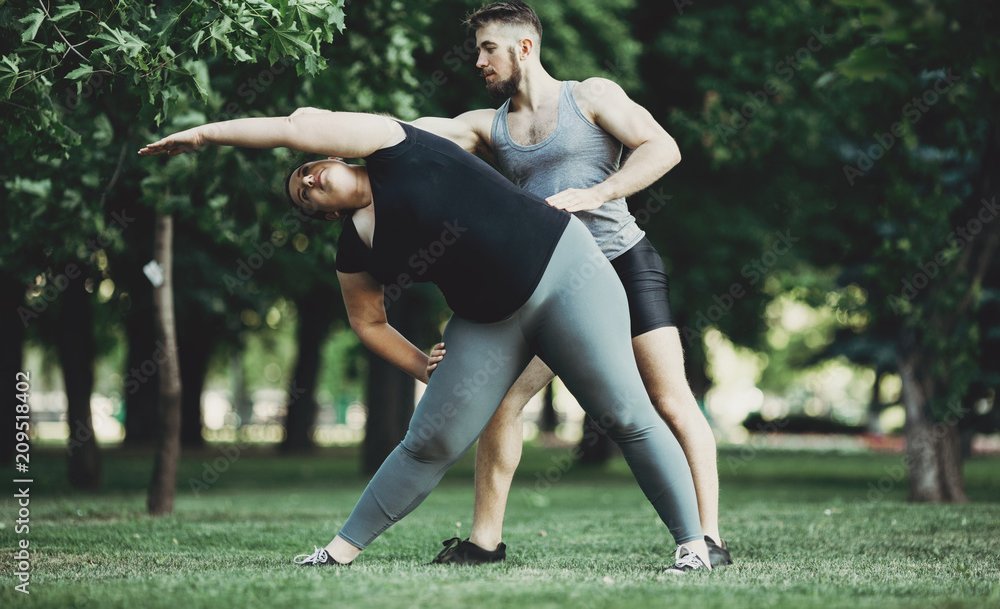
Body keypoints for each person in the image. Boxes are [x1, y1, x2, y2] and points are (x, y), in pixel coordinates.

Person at [139, 108, 712, 573]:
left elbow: (289, 129)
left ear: (333, 155)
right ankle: (337, 554)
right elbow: (367, 323)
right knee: (429, 442)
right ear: (318, 216)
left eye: (308, 171)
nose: (309, 181)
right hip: (488, 322)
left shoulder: (390, 142)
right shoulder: (355, 249)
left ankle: (694, 548)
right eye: (303, 196)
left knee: (626, 413)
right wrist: (422, 365)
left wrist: (204, 135)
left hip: (566, 272)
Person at [414, 0, 730, 567]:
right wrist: (330, 135)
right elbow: (410, 134)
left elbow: (664, 148)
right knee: (502, 403)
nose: (479, 62)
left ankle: (708, 539)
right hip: (554, 284)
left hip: (623, 261)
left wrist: (599, 193)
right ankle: (485, 543)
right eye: (478, 50)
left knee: (668, 399)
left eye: (488, 48)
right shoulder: (489, 126)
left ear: (524, 47)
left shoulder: (592, 96)